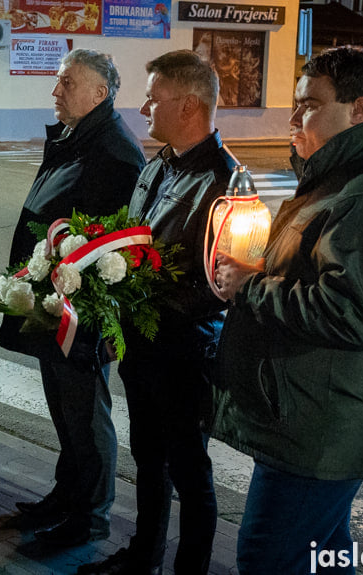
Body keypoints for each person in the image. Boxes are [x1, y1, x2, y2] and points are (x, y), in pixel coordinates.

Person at [212, 46, 363, 574]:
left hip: (320, 427)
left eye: (309, 105)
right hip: (308, 415)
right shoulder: (337, 177)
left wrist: (251, 287)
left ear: (358, 110)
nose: (293, 118)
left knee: (268, 559)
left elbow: (353, 314)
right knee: (325, 558)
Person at [78, 50, 234, 575]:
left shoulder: (223, 183)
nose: (144, 107)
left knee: (190, 471)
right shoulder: (159, 165)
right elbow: (129, 243)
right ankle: (143, 556)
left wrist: (142, 300)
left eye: (153, 97)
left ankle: (189, 567)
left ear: (188, 105)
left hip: (186, 354)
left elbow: (220, 286)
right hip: (143, 347)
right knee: (148, 458)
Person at [0, 48, 145, 547]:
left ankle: (91, 517)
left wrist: (102, 319)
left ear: (99, 93)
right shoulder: (77, 138)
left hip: (80, 311)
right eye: (58, 82)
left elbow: (118, 248)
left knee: (85, 412)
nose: (55, 91)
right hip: (51, 301)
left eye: (66, 82)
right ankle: (66, 496)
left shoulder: (115, 151)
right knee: (63, 408)